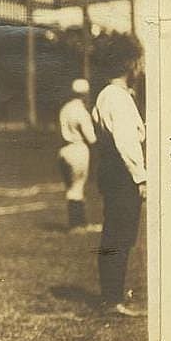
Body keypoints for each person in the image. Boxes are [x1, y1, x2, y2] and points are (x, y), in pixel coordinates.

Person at [91, 35, 146, 318]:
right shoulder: (117, 97)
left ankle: (112, 296)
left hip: (113, 169)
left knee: (117, 234)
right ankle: (112, 299)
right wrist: (140, 177)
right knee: (120, 235)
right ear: (130, 64)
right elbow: (126, 141)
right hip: (122, 171)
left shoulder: (107, 95)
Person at [57, 78, 97, 231]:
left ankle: (78, 224)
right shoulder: (81, 111)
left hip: (64, 150)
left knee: (71, 188)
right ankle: (77, 224)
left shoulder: (65, 109)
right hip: (78, 149)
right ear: (85, 94)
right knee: (78, 187)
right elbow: (91, 138)